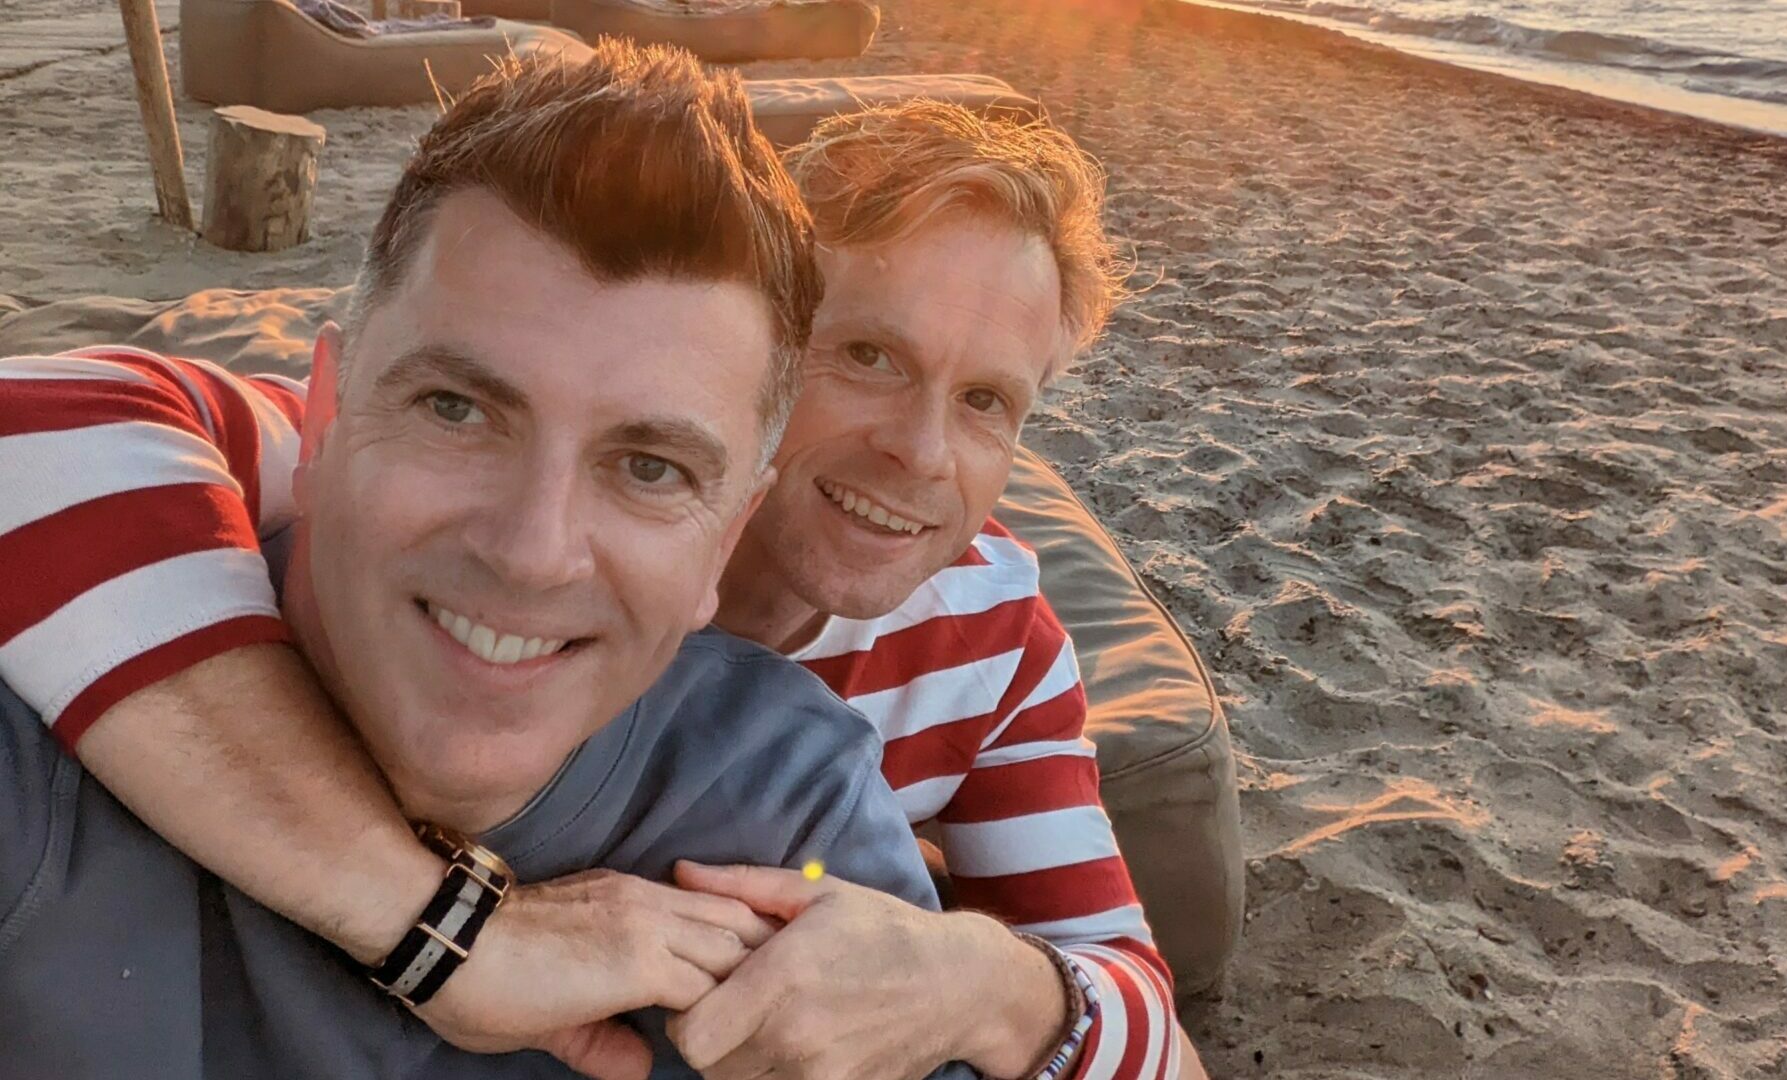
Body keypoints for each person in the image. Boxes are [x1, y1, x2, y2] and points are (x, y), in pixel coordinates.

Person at [0, 104, 1208, 1079]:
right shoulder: (300, 464)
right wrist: (443, 933)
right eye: (870, 357)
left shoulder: (976, 641)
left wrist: (980, 984)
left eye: (988, 401)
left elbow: (1132, 994)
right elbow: (37, 425)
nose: (924, 452)